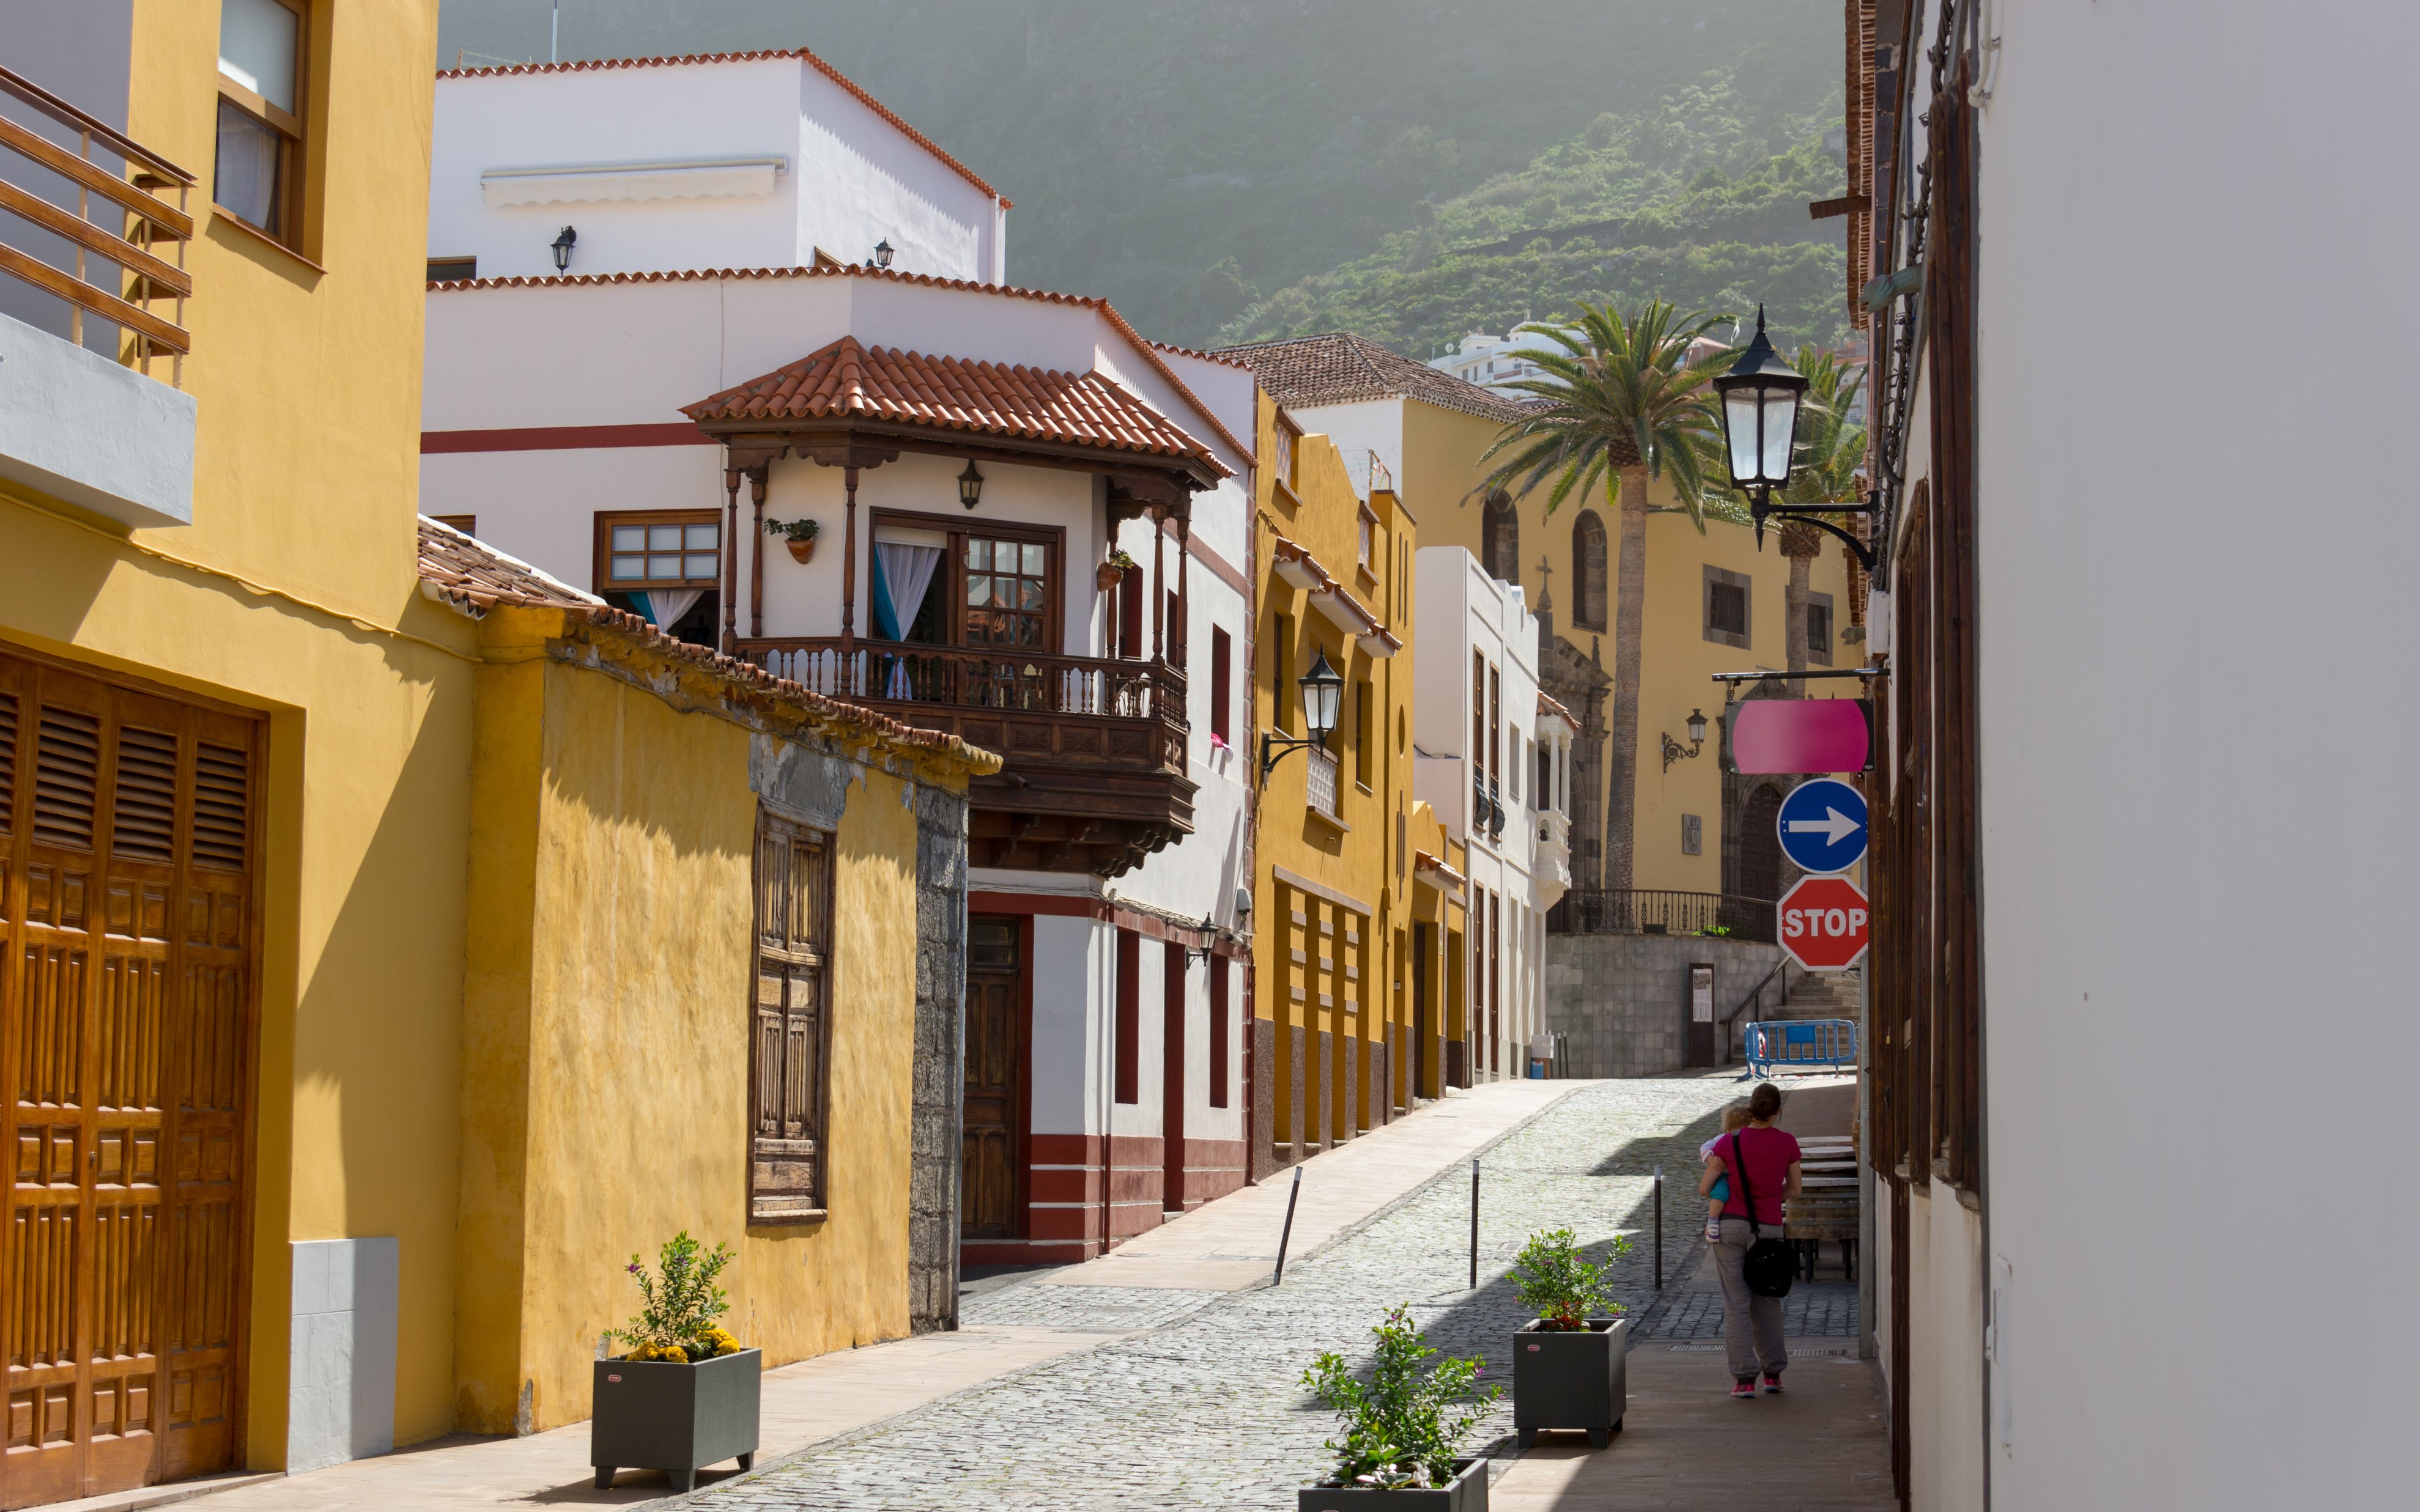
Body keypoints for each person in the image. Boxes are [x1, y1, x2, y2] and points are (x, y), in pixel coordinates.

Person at [1700, 1080, 1802, 1399]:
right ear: (1778, 1111)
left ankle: (1744, 1380)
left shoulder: (1729, 1143)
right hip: (1769, 1228)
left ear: (1750, 1107)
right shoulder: (1787, 1143)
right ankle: (1773, 1374)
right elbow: (1796, 1190)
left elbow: (1707, 1186)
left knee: (1737, 1303)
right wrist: (1772, 1196)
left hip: (1729, 1226)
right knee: (1768, 1301)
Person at [1700, 1102, 1754, 1241]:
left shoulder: (1749, 1139)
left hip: (1740, 1175)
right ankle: (1712, 1222)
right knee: (1720, 1194)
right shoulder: (1721, 1139)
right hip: (1724, 1175)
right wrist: (1710, 1158)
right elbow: (1705, 1147)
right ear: (1728, 1129)